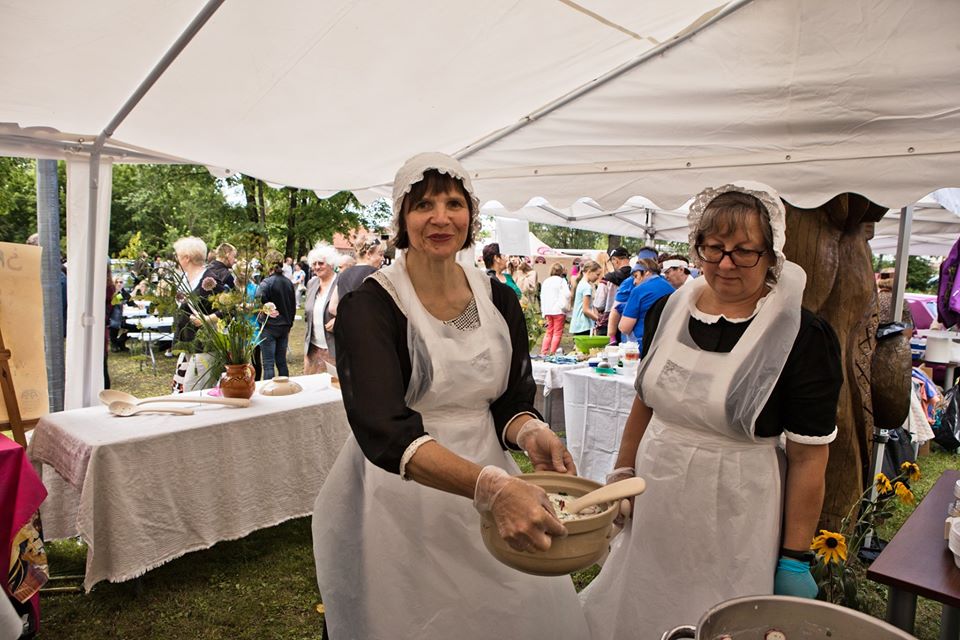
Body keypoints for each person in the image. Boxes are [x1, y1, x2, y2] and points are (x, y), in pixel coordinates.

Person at [312, 152, 587, 640]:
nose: (440, 218)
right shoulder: (371, 306)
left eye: (454, 203)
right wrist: (492, 488)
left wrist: (532, 431)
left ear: (471, 216)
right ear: (401, 218)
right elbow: (384, 430)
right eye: (423, 206)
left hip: (490, 464)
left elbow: (508, 398)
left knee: (510, 604)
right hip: (402, 488)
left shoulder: (498, 298)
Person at [580, 183, 843, 638]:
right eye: (714, 248)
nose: (725, 264)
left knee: (719, 612)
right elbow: (647, 399)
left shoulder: (801, 334)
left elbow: (808, 455)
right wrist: (622, 469)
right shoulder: (668, 308)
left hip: (738, 505)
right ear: (696, 247)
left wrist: (794, 557)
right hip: (656, 489)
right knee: (645, 598)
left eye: (744, 252)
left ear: (771, 254)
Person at [170, 236, 220, 393]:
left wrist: (207, 318)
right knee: (182, 390)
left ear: (186, 258)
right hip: (188, 344)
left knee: (195, 391)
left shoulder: (210, 280)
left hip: (205, 347)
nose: (176, 259)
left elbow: (230, 309)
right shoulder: (185, 279)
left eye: (177, 256)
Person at [256, 251, 296, 380]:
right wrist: (289, 324)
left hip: (269, 327)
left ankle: (269, 392)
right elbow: (293, 307)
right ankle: (286, 389)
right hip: (284, 327)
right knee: (281, 362)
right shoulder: (288, 283)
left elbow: (257, 301)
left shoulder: (266, 283)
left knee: (268, 364)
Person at [618, 259, 674, 347]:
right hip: (666, 344)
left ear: (646, 272)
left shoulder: (639, 291)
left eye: (636, 276)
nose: (634, 282)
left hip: (642, 345)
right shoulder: (671, 289)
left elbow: (624, 328)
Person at [302, 243, 339, 373]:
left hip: (334, 349)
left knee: (333, 389)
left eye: (321, 263)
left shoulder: (341, 282)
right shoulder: (312, 283)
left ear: (331, 263)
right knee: (312, 388)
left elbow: (353, 312)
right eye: (314, 264)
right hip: (313, 348)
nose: (317, 267)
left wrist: (339, 320)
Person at [602, 247, 633, 342]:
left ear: (615, 260)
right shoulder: (637, 276)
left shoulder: (607, 279)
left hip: (608, 323)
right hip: (630, 320)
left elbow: (599, 304)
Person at [539, 262, 570, 355]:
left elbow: (542, 295)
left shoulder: (546, 281)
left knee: (549, 332)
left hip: (548, 310)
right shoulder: (562, 281)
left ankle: (543, 352)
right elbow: (567, 294)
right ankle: (552, 352)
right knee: (557, 332)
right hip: (559, 310)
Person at [570, 259, 602, 335]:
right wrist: (598, 320)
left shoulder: (581, 283)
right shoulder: (587, 287)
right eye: (597, 274)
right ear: (589, 271)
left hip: (577, 324)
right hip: (583, 325)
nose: (598, 277)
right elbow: (586, 309)